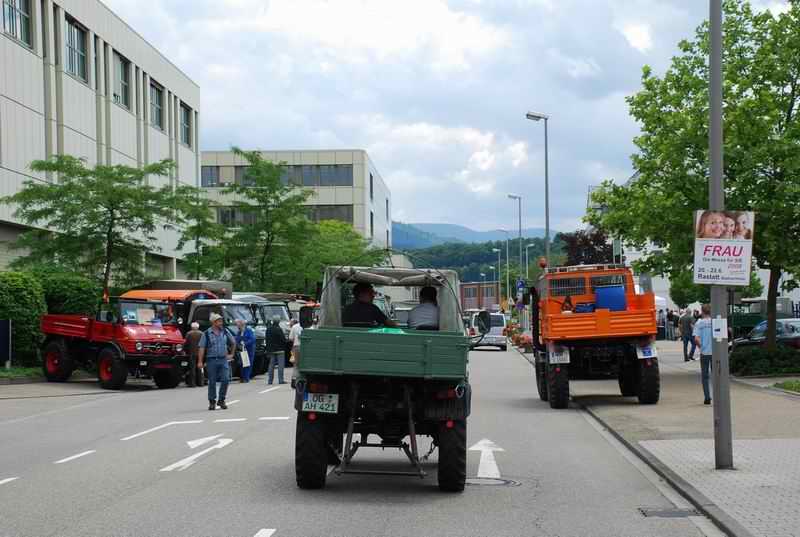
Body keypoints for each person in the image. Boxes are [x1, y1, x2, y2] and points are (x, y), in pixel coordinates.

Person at [197, 313, 236, 410]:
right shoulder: (206, 333)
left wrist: (232, 354)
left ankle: (221, 399)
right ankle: (212, 401)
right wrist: (200, 361)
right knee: (212, 382)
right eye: (219, 321)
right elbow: (201, 348)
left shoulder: (225, 331)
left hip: (223, 360)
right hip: (211, 360)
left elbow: (233, 342)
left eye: (221, 321)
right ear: (213, 322)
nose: (221, 323)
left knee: (226, 379)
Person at [693, 304, 713, 405]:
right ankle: (718, 395)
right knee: (716, 375)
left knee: (705, 376)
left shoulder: (699, 323)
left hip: (704, 353)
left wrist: (701, 346)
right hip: (715, 353)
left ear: (702, 311)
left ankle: (707, 397)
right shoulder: (714, 322)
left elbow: (696, 338)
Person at [265, 315, 288, 385]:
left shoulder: (268, 329)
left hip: (271, 350)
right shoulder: (279, 329)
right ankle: (281, 380)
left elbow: (267, 340)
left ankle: (270, 381)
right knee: (280, 365)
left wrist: (268, 349)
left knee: (271, 365)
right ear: (278, 321)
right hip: (280, 350)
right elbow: (283, 339)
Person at [234, 318, 256, 383]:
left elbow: (252, 339)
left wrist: (245, 343)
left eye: (238, 325)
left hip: (249, 350)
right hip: (242, 350)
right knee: (242, 364)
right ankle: (243, 377)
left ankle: (246, 378)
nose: (237, 327)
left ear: (242, 325)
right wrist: (237, 343)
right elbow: (237, 339)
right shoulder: (239, 332)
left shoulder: (249, 331)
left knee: (248, 364)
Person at [183, 322, 204, 387]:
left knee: (192, 369)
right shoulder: (202, 334)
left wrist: (185, 350)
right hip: (200, 353)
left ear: (192, 327)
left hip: (191, 353)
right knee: (200, 368)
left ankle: (192, 383)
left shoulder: (189, 334)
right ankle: (200, 383)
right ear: (198, 327)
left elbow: (186, 343)